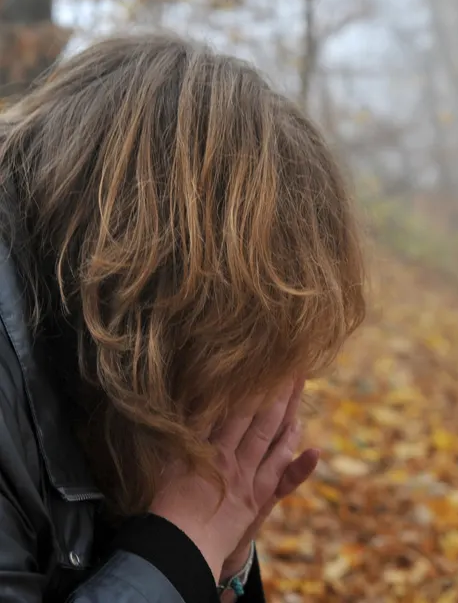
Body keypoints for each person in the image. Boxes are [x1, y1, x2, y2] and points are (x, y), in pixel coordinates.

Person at [0, 33, 366, 602]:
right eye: (237, 364)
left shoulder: (96, 395)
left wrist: (219, 565)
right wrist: (178, 545)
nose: (236, 416)